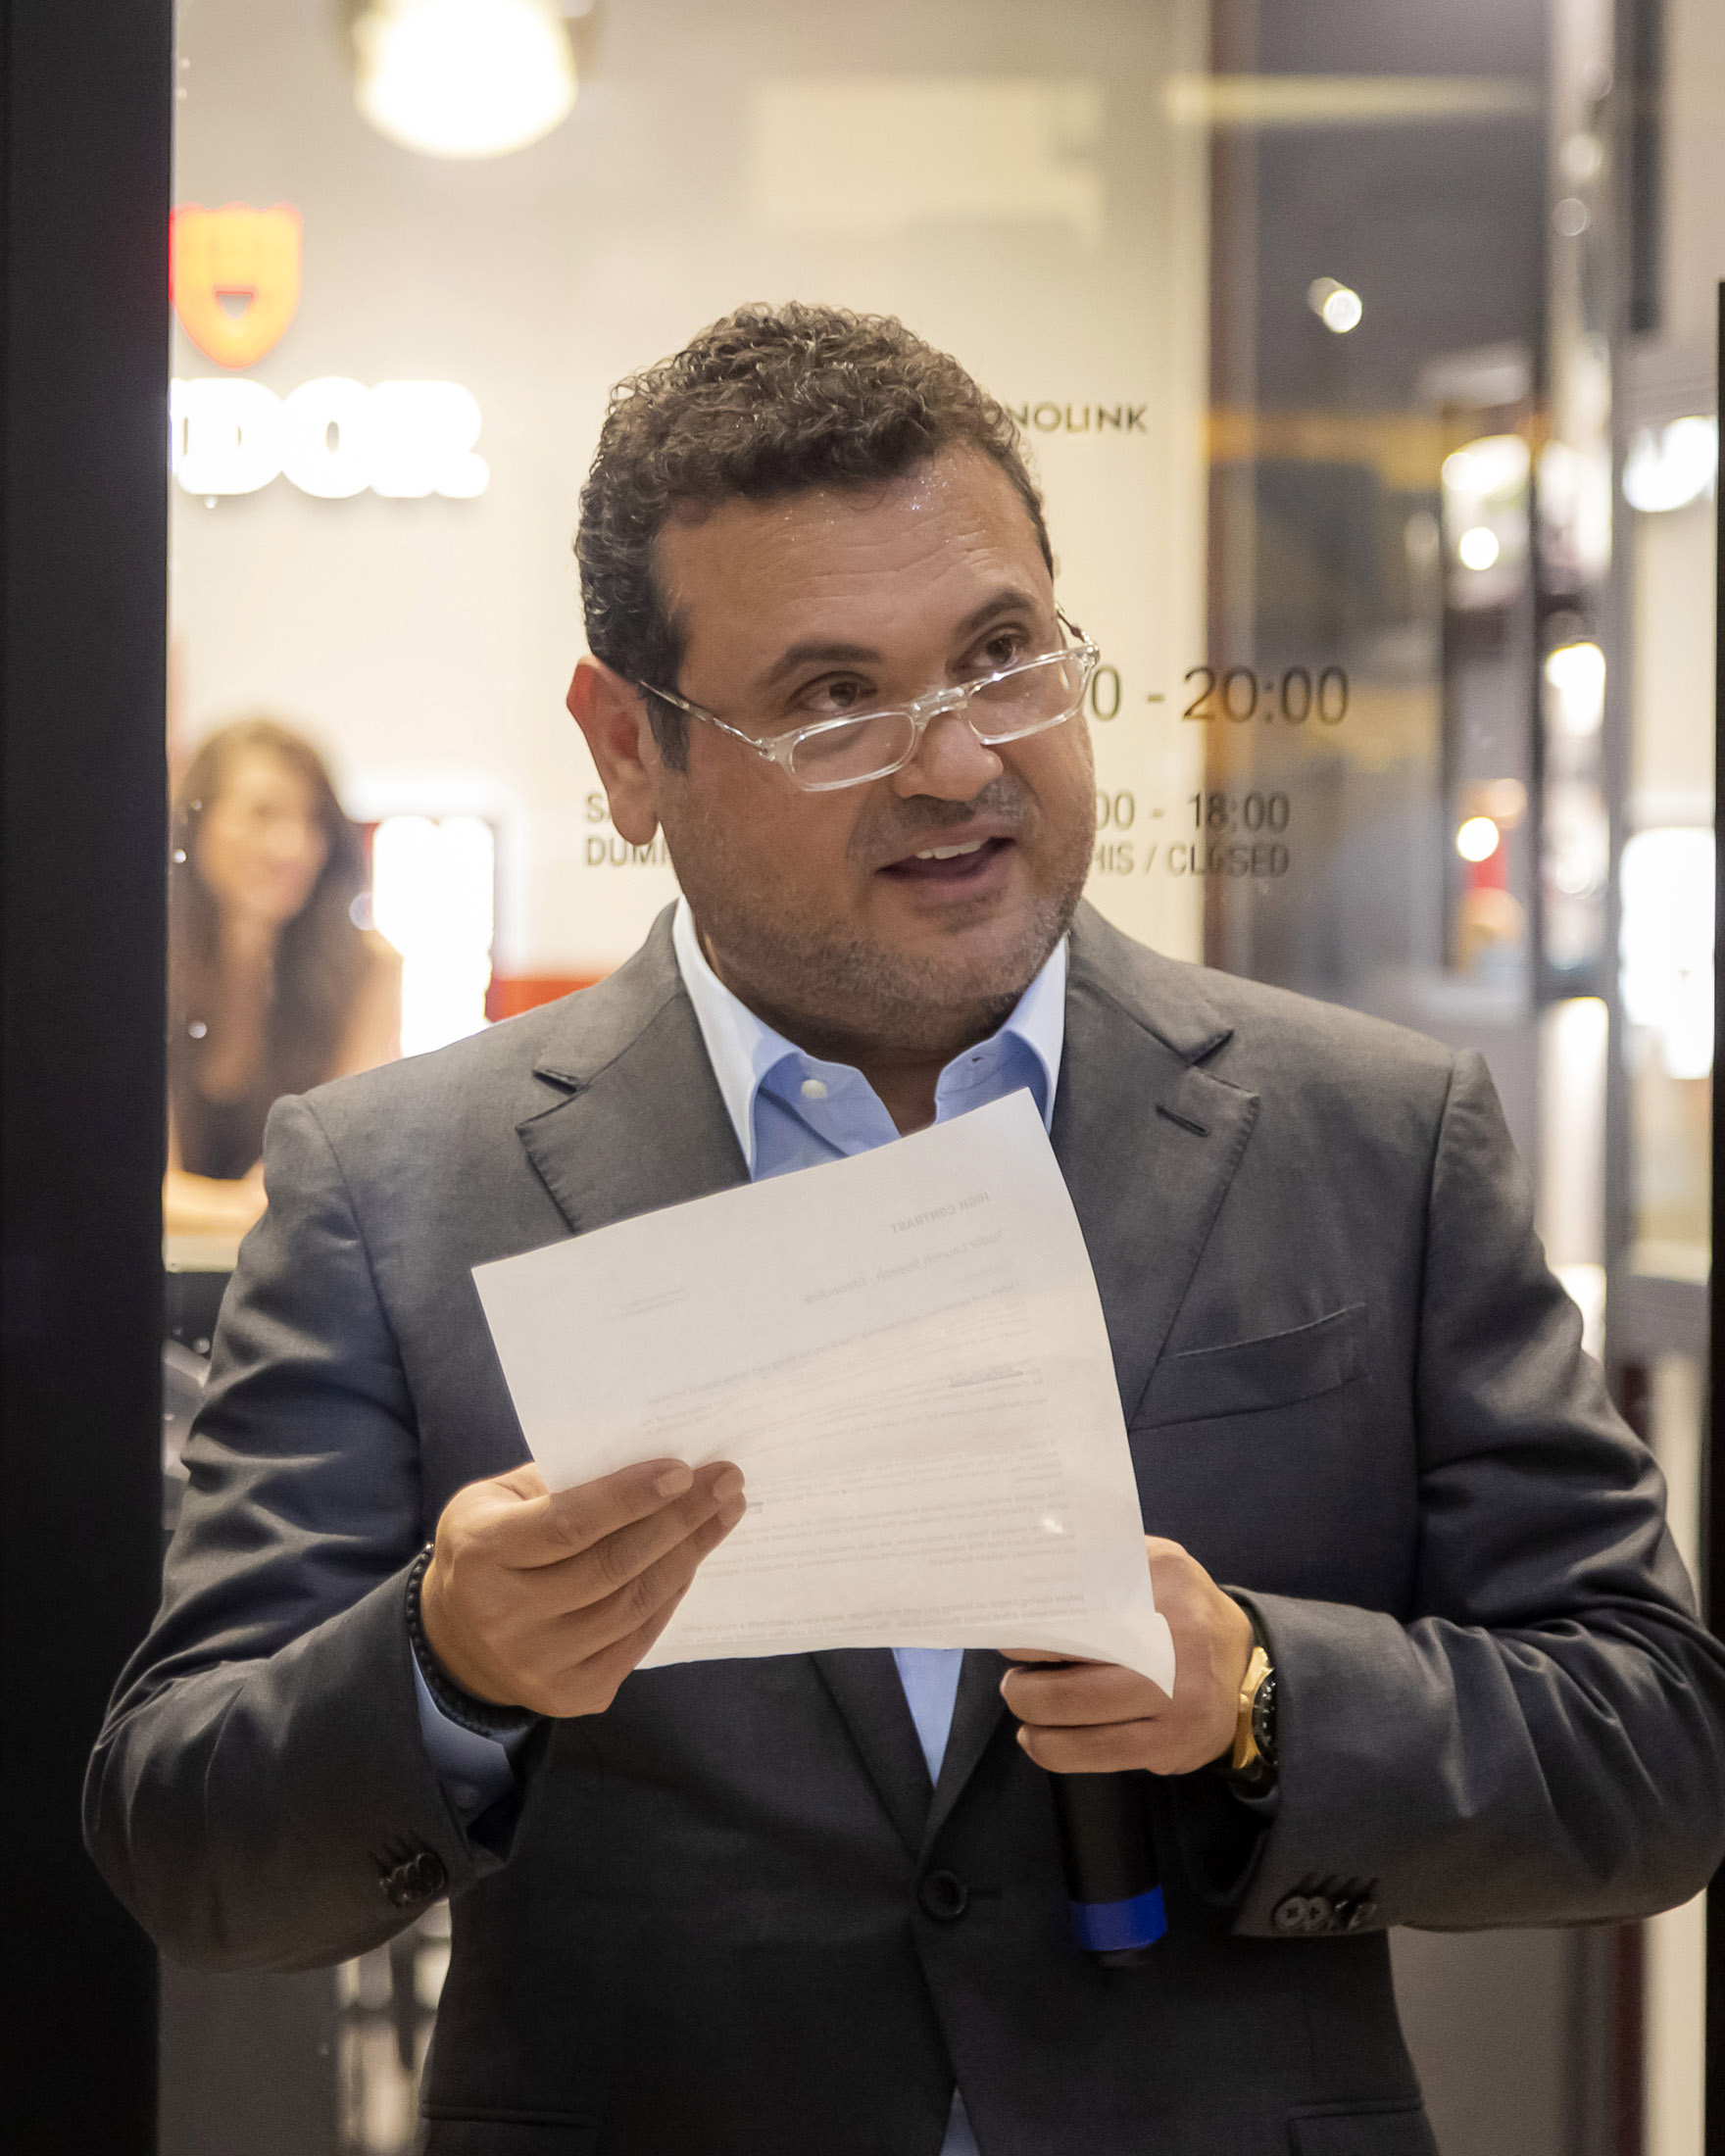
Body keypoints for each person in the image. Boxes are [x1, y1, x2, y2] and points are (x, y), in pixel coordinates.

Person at [89, 307, 1725, 2156]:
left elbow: (1654, 1751)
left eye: (1003, 658)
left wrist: (1262, 1691)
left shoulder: (1372, 1136)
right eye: (830, 700)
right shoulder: (396, 1188)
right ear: (628, 751)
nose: (954, 763)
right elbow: (191, 1844)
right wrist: (445, 1662)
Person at [164, 718, 401, 1244]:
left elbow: (348, 1180)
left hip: (301, 1278)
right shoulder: (145, 967)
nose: (294, 845)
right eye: (262, 814)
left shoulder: (368, 970)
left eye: (312, 820)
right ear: (197, 824)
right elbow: (136, 1192)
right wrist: (258, 1205)